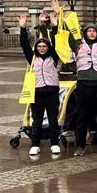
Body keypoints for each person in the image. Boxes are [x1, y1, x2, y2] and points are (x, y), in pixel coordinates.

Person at [53, 0, 97, 157]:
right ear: (85, 33)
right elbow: (66, 33)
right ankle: (79, 146)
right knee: (82, 115)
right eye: (89, 31)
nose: (91, 32)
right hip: (83, 84)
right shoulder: (78, 45)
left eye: (94, 31)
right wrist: (59, 14)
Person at [19, 12, 62, 157]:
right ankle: (35, 144)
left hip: (51, 92)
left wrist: (54, 26)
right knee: (36, 120)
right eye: (39, 46)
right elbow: (24, 45)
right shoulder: (32, 59)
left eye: (44, 46)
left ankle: (54, 143)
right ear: (36, 48)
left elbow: (57, 43)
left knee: (52, 119)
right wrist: (22, 28)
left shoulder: (53, 58)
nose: (42, 48)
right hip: (37, 92)